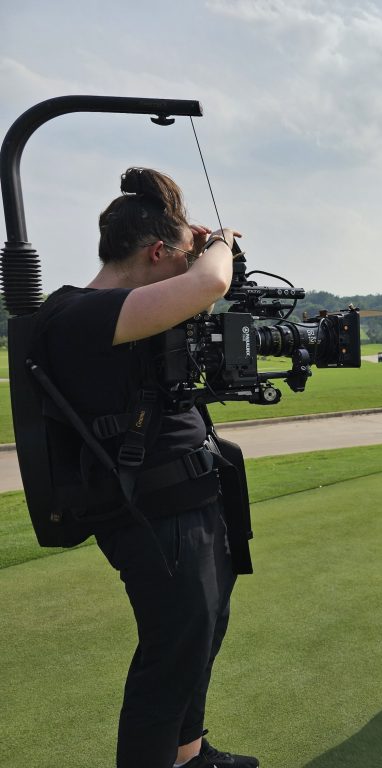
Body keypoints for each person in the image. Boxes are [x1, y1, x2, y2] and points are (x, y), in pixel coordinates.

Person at [34, 168, 259, 767]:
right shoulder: (77, 314)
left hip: (190, 495)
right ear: (156, 251)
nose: (189, 266)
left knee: (203, 633)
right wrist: (219, 243)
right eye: (179, 255)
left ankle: (188, 753)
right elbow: (212, 279)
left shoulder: (131, 310)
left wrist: (197, 242)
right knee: (171, 655)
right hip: (150, 513)